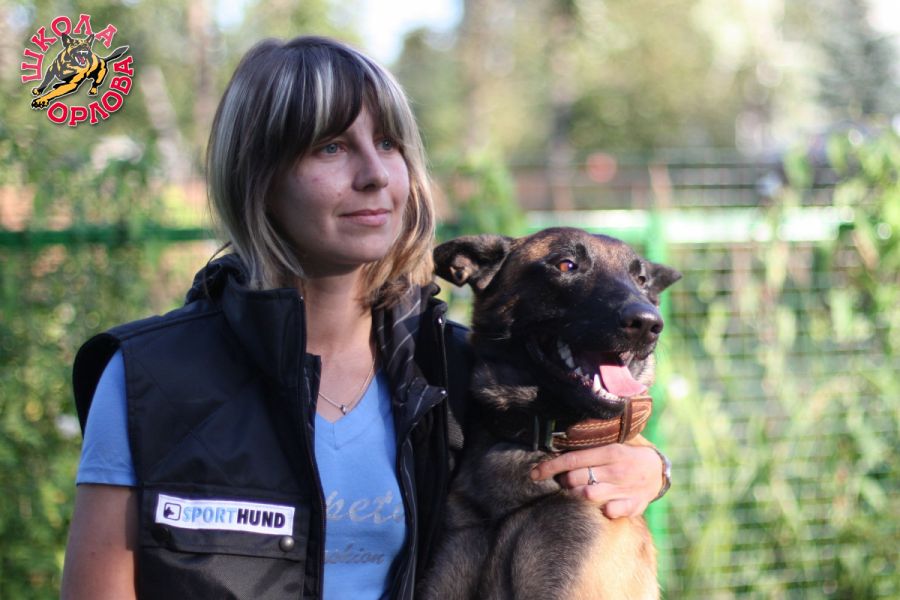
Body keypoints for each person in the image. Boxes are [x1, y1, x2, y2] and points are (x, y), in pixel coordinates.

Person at [60, 36, 669, 600]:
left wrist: (648, 467)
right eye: (331, 146)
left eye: (388, 144)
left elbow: (583, 439)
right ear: (259, 177)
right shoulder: (149, 379)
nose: (374, 174)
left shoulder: (457, 374)